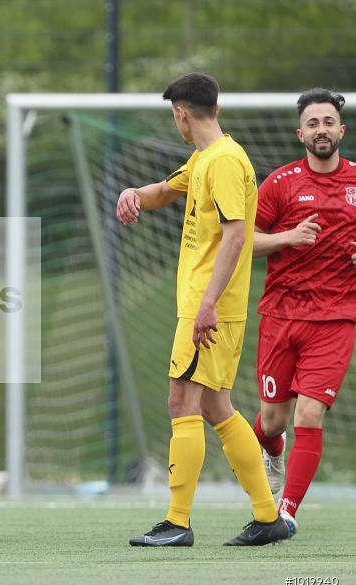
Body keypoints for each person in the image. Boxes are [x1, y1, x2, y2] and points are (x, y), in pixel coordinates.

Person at [115, 73, 289, 546]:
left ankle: (177, 523)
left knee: (181, 402)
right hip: (209, 306)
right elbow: (164, 190)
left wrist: (207, 303)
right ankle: (267, 516)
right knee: (215, 405)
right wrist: (134, 194)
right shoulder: (204, 158)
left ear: (181, 114)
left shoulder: (225, 162)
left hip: (209, 307)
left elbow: (236, 236)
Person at [250, 88, 354, 538]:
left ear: (341, 130)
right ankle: (272, 451)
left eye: (328, 122)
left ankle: (286, 513)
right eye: (313, 124)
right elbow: (243, 241)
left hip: (335, 319)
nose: (321, 130)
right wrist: (287, 237)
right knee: (272, 422)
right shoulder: (280, 183)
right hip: (281, 315)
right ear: (300, 134)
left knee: (309, 415)